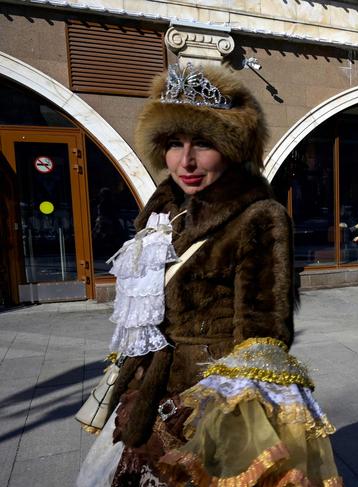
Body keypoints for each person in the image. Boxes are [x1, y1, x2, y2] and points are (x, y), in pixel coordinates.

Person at [77, 63, 341, 486]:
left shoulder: (259, 216)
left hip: (209, 404)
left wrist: (208, 410)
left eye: (203, 143)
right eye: (174, 143)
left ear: (232, 147)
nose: (186, 161)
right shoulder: (162, 211)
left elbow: (264, 335)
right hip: (148, 390)